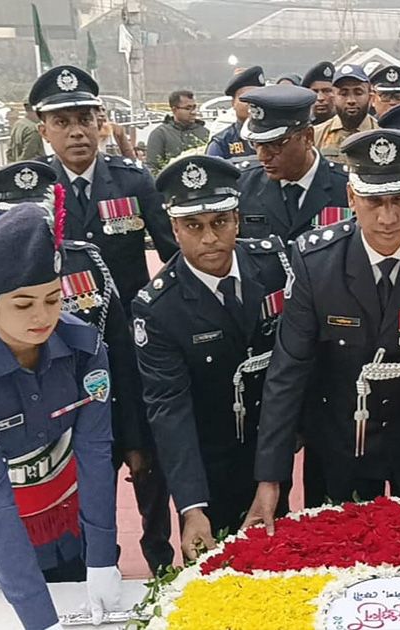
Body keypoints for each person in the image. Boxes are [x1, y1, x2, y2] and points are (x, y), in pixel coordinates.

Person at [244, 129, 400, 533]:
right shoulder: (315, 262)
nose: (387, 217)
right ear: (351, 198)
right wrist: (270, 477)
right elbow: (288, 373)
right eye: (374, 202)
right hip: (341, 442)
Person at [0, 161, 170, 577]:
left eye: (39, 213)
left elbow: (119, 353)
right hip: (27, 431)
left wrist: (135, 435)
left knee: (112, 514)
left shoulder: (85, 260)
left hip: (96, 412)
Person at [0, 203, 122, 630]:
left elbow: (94, 454)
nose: (42, 317)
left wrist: (102, 558)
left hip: (56, 491)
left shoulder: (85, 349)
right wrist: (40, 620)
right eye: (23, 304)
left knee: (78, 582)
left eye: (53, 299)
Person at [133, 155, 292, 560]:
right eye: (193, 226)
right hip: (207, 460)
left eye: (220, 222)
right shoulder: (158, 307)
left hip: (273, 444)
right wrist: (192, 507)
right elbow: (170, 409)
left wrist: (273, 468)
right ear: (173, 228)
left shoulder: (276, 264)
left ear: (237, 219)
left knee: (284, 563)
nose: (209, 238)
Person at [33, 65, 178, 310]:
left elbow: (172, 253)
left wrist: (156, 305)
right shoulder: (35, 188)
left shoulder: (133, 180)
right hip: (58, 324)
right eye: (62, 122)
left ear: (99, 124)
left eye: (84, 120)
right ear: (44, 132)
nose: (76, 132)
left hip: (129, 318)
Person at [236, 85, 349, 241]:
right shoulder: (243, 186)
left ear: (308, 138)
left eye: (275, 144)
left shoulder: (346, 188)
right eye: (256, 144)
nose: (263, 157)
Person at [314, 64, 378, 166]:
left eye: (358, 93)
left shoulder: (381, 133)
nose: (351, 101)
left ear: (371, 98)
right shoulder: (316, 135)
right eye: (343, 94)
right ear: (333, 97)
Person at [206, 66, 263, 161]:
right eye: (245, 98)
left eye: (257, 97)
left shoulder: (277, 137)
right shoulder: (222, 142)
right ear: (233, 103)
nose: (252, 103)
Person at [146, 89, 209, 170]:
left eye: (194, 107)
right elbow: (152, 167)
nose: (193, 112)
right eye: (188, 108)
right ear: (174, 109)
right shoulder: (160, 134)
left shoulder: (205, 133)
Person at [303, 61, 337, 126]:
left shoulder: (347, 124)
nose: (320, 98)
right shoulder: (301, 127)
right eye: (315, 91)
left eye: (327, 91)